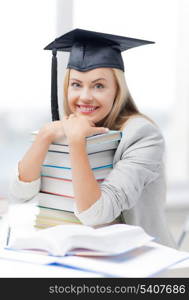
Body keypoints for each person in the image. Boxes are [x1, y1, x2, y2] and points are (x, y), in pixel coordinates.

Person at [9, 28, 176, 248]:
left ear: (117, 89)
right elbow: (20, 195)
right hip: (78, 255)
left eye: (99, 86)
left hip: (138, 260)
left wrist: (77, 141)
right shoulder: (63, 129)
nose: (85, 97)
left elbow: (96, 215)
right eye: (76, 84)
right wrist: (45, 135)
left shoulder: (143, 135)